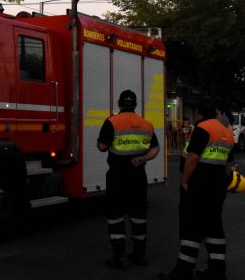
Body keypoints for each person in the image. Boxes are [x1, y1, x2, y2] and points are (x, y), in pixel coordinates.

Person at [160, 100, 235, 280]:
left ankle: (183, 271)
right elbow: (228, 164)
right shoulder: (226, 132)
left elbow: (193, 157)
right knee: (213, 227)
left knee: (191, 226)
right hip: (217, 188)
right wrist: (226, 181)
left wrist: (184, 180)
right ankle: (217, 271)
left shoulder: (203, 128)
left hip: (199, 186)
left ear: (200, 114)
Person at [97, 89, 160, 270]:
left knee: (115, 215)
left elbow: (102, 146)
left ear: (119, 104)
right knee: (139, 215)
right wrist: (143, 158)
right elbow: (155, 148)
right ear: (135, 105)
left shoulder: (112, 121)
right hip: (138, 174)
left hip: (117, 175)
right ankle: (139, 255)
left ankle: (119, 257)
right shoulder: (146, 124)